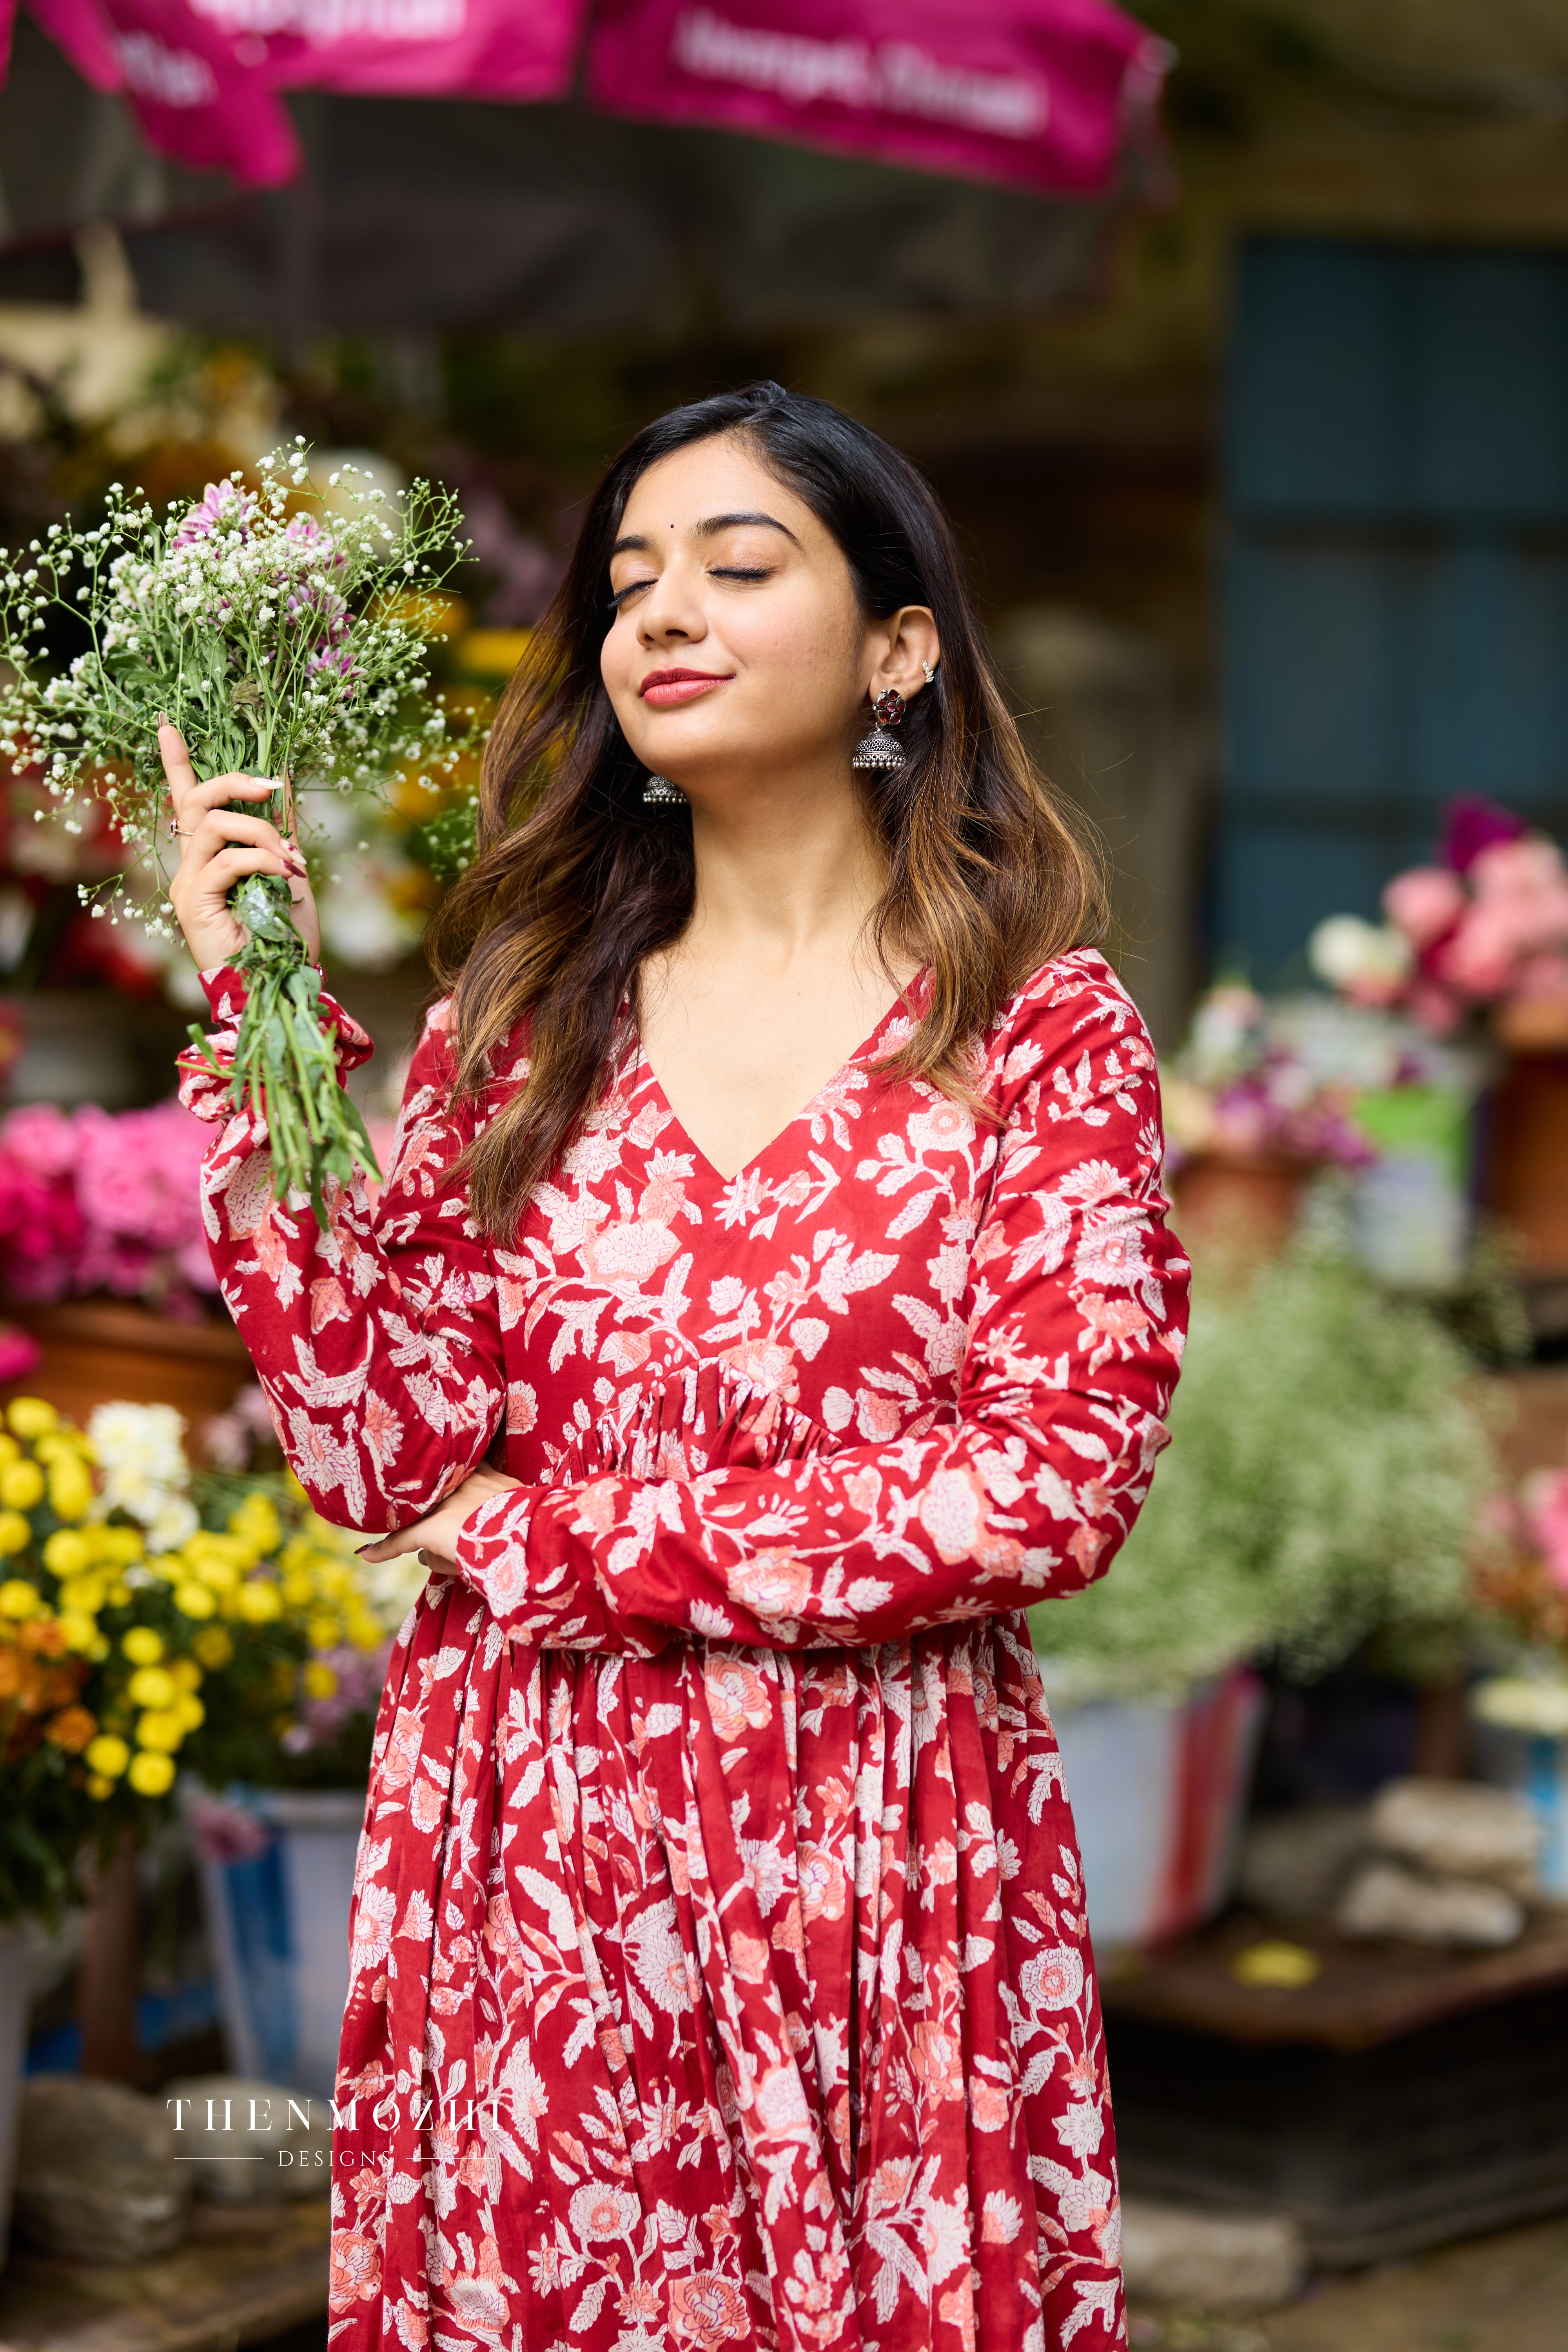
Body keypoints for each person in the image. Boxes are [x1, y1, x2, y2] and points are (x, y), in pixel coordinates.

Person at [162, 383, 1188, 2352]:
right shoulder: (527, 1020)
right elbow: (385, 1456)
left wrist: (573, 1544)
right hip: (534, 1849)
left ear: (898, 648)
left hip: (875, 1849)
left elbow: (1050, 1481)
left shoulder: (1033, 1034)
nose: (661, 617)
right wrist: (263, 1010)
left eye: (737, 565)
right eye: (631, 581)